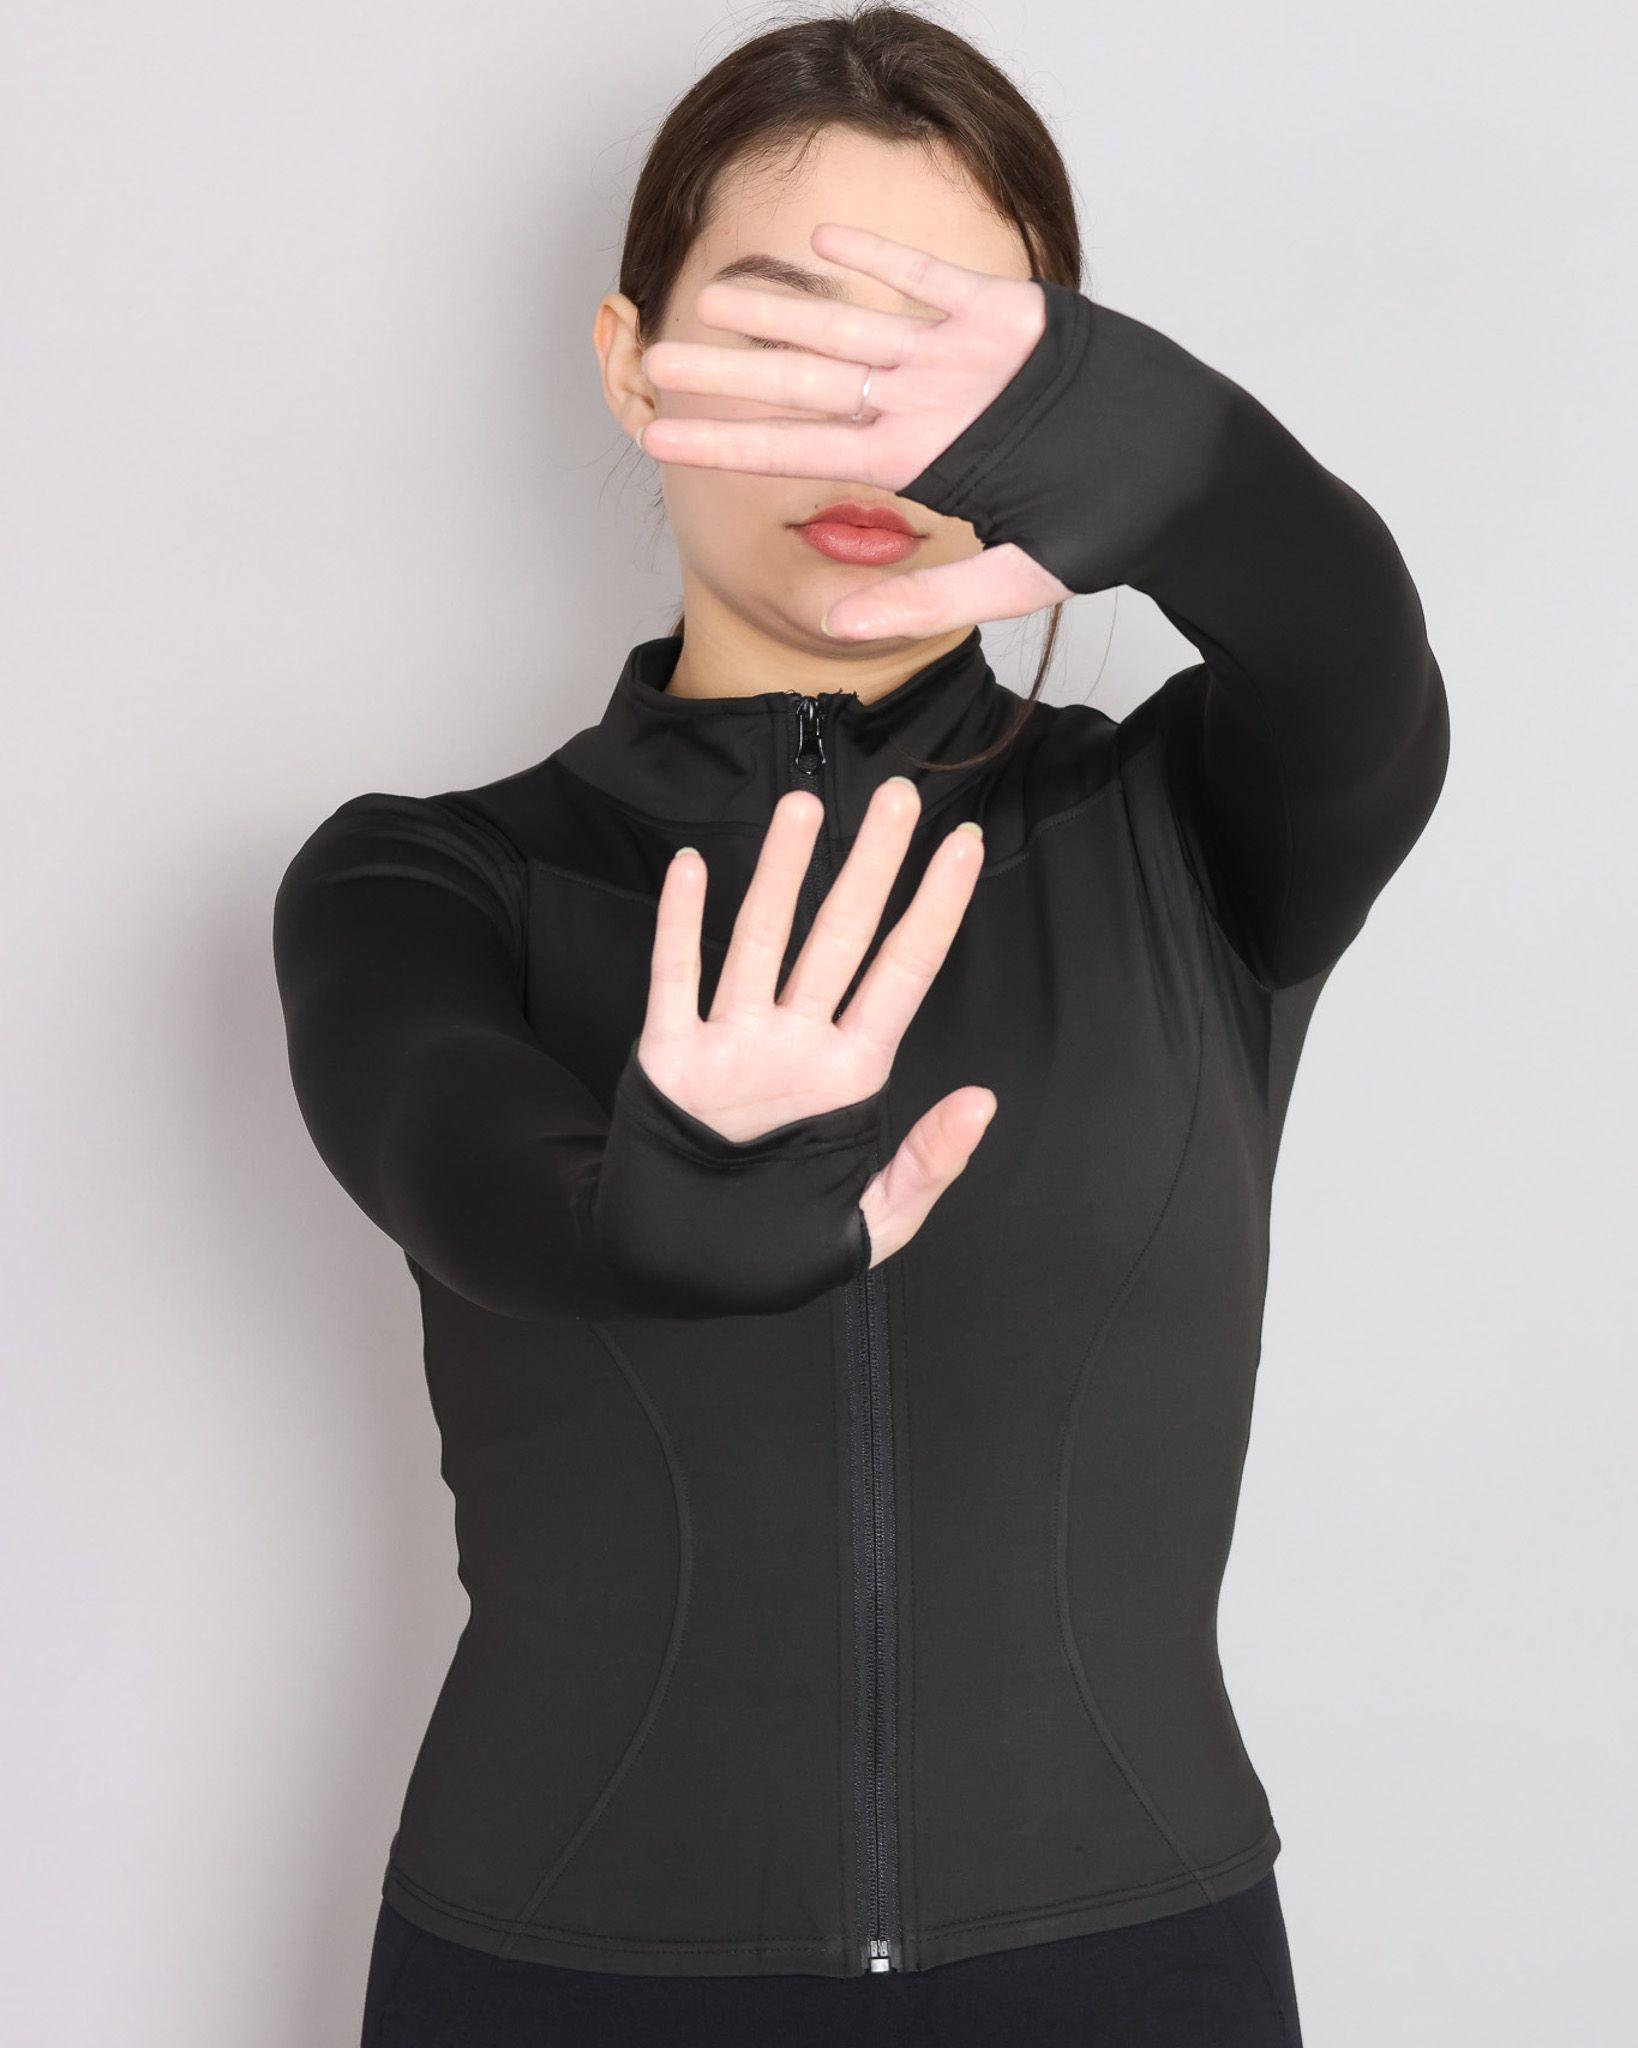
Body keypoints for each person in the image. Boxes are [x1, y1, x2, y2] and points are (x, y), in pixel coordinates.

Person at [273, 8, 1449, 2044]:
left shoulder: (1197, 826)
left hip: (1132, 1971)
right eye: (781, 334)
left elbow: (1357, 646)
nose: (864, 435)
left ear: (1057, 394)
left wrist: (1190, 464)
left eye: (938, 356)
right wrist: (651, 1207)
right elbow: (453, 1149)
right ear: (632, 362)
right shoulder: (427, 881)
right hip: (559, 1976)